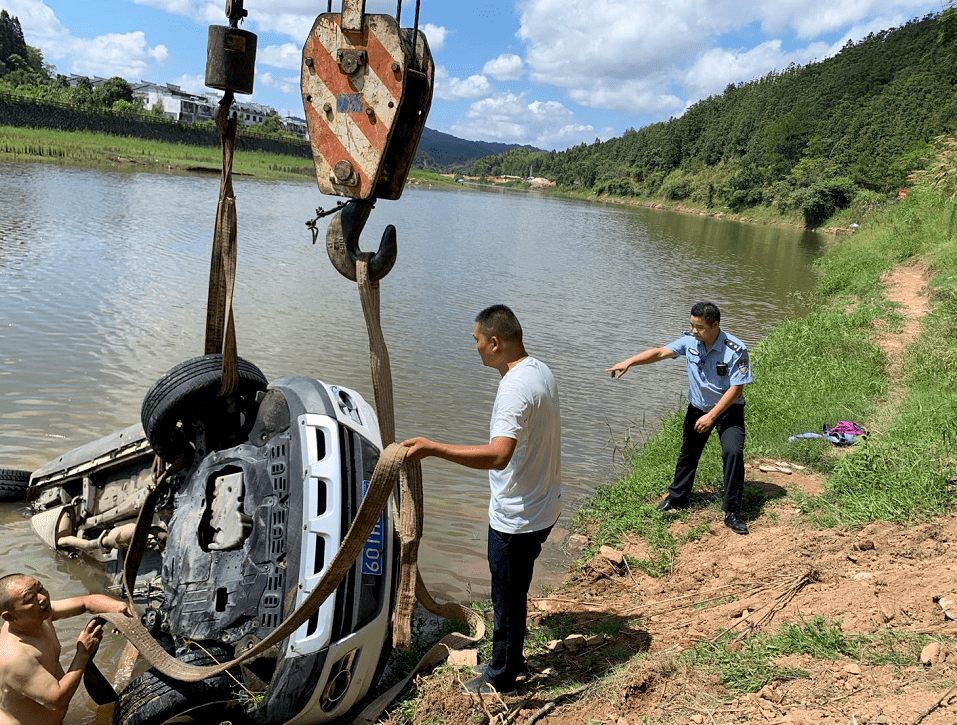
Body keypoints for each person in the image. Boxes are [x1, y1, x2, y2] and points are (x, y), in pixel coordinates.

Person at [402, 304, 562, 695]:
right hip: (544, 505)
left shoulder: (513, 388)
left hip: (517, 517)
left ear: (495, 342)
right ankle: (513, 657)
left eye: (476, 340)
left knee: (505, 598)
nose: (473, 347)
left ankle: (502, 677)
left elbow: (498, 454)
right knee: (516, 589)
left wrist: (433, 449)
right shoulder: (539, 369)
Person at [607, 301, 753, 535]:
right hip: (697, 409)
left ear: (715, 325)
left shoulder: (735, 349)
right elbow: (660, 353)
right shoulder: (690, 342)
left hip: (727, 411)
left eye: (700, 327)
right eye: (691, 326)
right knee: (688, 454)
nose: (694, 331)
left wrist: (712, 416)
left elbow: (737, 388)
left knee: (732, 452)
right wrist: (629, 362)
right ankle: (677, 498)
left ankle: (732, 511)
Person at [0, 573, 131, 725]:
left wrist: (118, 609)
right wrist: (83, 653)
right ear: (10, 617)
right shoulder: (15, 657)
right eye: (30, 599)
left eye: (40, 588)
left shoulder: (40, 615)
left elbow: (86, 602)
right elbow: (57, 700)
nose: (42, 598)